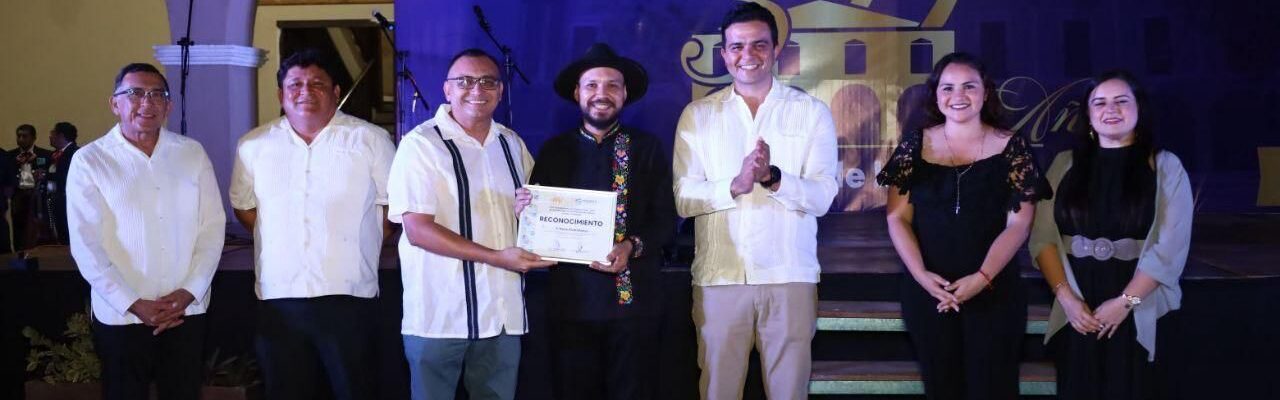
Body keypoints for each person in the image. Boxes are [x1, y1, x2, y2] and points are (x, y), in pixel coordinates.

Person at [672, 3, 839, 398]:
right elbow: (683, 199)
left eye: (759, 45)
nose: (747, 55)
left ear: (777, 49)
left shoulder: (811, 112)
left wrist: (773, 178)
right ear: (724, 54)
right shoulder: (698, 115)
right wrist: (735, 184)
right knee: (718, 390)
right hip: (720, 278)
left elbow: (823, 196)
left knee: (789, 392)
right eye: (737, 46)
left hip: (789, 276)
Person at [875, 52, 1051, 399]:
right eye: (948, 87)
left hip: (994, 291)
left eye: (969, 86)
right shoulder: (914, 145)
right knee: (941, 387)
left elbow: (1018, 225)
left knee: (994, 388)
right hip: (930, 293)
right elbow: (897, 218)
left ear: (985, 93)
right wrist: (922, 276)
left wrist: (982, 279)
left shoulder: (1013, 147)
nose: (958, 95)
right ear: (936, 95)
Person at [229, 48, 395, 400]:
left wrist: (359, 243)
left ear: (336, 92)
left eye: (317, 83)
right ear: (281, 94)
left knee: (356, 391)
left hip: (349, 296)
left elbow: (393, 209)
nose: (305, 91)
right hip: (279, 297)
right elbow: (245, 208)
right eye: (296, 84)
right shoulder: (253, 145)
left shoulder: (371, 140)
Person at [388, 48, 553, 400]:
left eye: (488, 81)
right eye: (464, 81)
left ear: (500, 91)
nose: (477, 89)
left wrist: (529, 212)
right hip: (439, 315)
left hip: (502, 313)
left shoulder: (511, 143)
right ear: (447, 89)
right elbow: (417, 230)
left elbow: (532, 209)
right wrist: (497, 257)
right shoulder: (420, 145)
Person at [1029, 70, 1192, 399]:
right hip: (1077, 304)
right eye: (1100, 102)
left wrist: (1125, 302)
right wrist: (1067, 299)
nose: (1111, 109)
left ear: (1139, 109)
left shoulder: (1165, 165)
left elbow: (1170, 247)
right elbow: (1042, 238)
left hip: (1138, 299)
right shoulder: (1064, 164)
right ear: (1088, 114)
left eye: (1121, 101)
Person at [525, 43, 675, 400]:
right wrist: (525, 210)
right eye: (592, 85)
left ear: (625, 94)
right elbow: (536, 223)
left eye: (612, 85)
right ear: (577, 93)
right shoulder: (554, 151)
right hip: (571, 305)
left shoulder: (647, 147)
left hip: (633, 307)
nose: (601, 94)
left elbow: (665, 220)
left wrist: (630, 246)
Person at [67, 62, 225, 400]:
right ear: (115, 103)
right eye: (135, 93)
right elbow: (85, 244)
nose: (146, 102)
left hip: (185, 311)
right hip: (122, 314)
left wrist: (189, 292)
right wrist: (134, 303)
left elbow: (212, 228)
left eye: (156, 94)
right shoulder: (90, 160)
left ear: (169, 106)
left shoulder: (191, 153)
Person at [8, 124, 52, 252]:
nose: (21, 139)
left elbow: (50, 176)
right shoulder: (10, 156)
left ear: (33, 138)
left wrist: (40, 176)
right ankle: (19, 259)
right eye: (19, 136)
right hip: (18, 200)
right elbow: (8, 177)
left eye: (25, 136)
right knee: (19, 231)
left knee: (40, 231)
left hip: (40, 200)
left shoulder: (45, 155)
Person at [46, 121, 80, 244]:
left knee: (69, 236)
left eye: (52, 133)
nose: (50, 136)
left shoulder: (76, 153)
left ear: (60, 136)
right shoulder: (54, 155)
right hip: (55, 200)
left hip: (68, 201)